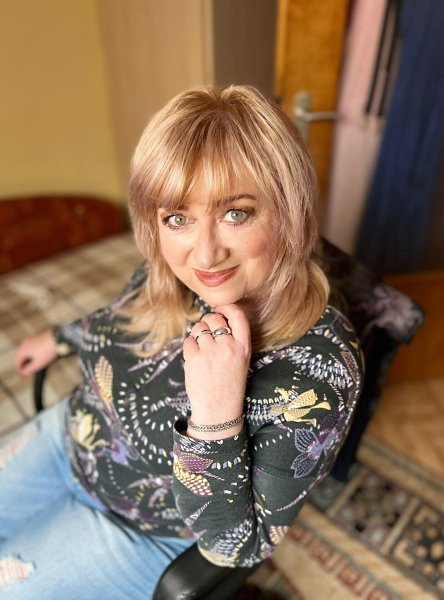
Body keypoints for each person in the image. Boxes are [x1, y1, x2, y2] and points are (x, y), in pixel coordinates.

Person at [3, 85, 363, 598]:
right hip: (71, 437)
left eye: (236, 213)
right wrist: (62, 337)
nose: (205, 254)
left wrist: (216, 418)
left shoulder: (322, 372)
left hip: (136, 527)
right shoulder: (172, 274)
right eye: (178, 218)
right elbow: (121, 322)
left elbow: (239, 546)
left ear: (290, 209)